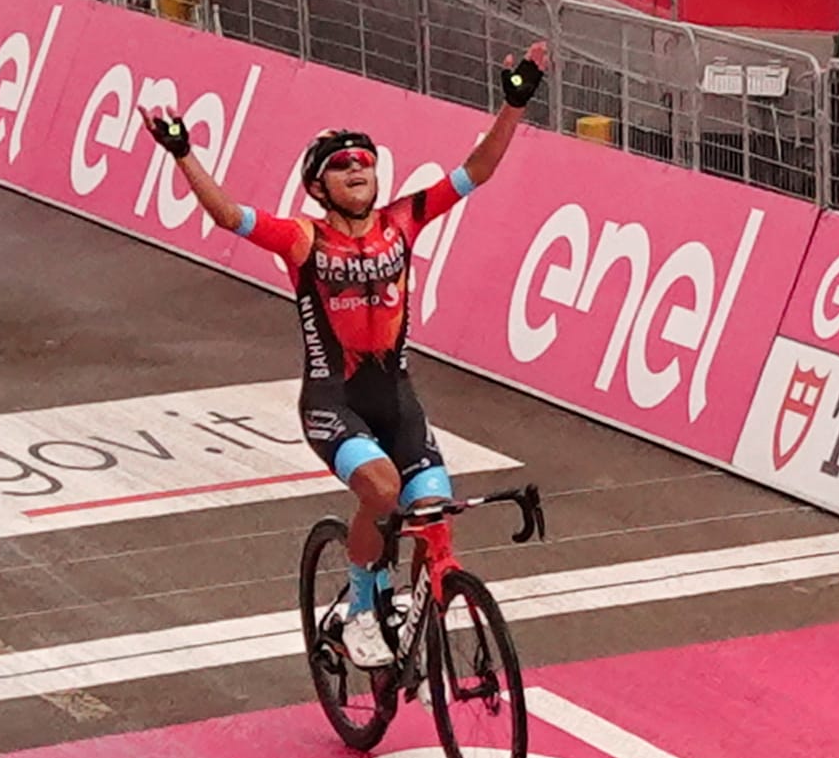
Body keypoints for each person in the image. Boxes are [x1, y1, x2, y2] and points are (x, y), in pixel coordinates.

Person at [146, 44, 553, 633]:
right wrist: (183, 153)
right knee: (384, 492)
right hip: (332, 403)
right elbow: (230, 216)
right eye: (341, 165)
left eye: (364, 160)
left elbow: (477, 171)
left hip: (396, 400)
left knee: (434, 513)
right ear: (317, 186)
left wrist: (515, 104)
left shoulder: (403, 220)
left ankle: (419, 620)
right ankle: (364, 607)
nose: (357, 168)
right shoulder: (302, 239)